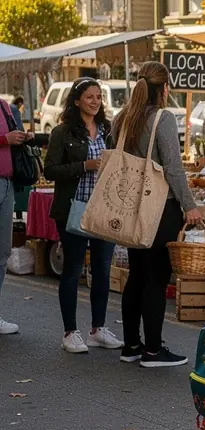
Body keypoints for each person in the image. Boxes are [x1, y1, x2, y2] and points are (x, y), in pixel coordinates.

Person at [114, 61, 201, 368]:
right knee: (157, 276)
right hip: (159, 208)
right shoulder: (161, 119)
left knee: (137, 275)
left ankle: (131, 345)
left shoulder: (124, 117)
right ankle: (153, 350)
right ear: (164, 88)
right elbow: (173, 169)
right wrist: (189, 204)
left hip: (129, 206)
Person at [43, 80, 121, 354]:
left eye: (98, 97)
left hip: (104, 208)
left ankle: (98, 329)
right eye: (89, 96)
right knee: (73, 270)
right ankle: (70, 332)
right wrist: (84, 166)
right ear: (76, 100)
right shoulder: (62, 132)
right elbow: (51, 169)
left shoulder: (108, 129)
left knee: (102, 269)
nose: (95, 101)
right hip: (74, 208)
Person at [0, 99, 44, 336]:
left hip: (7, 184)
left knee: (3, 252)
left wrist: (22, 137)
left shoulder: (4, 106)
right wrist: (4, 140)